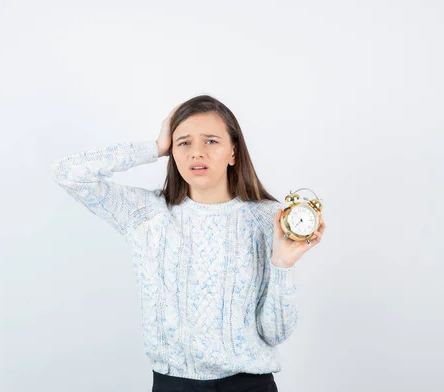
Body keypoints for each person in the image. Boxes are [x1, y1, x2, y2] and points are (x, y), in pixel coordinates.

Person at [52, 94, 326, 392]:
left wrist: (283, 264)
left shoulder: (268, 218)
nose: (197, 153)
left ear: (233, 152)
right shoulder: (146, 214)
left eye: (211, 141)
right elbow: (67, 173)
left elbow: (275, 334)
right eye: (184, 142)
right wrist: (154, 147)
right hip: (174, 384)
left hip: (249, 385)